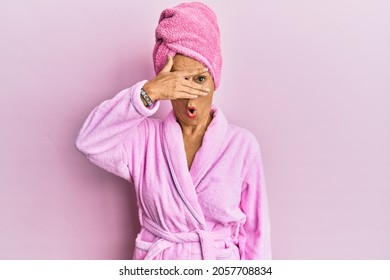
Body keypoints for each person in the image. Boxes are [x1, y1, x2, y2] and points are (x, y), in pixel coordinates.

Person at [76, 2, 271, 260]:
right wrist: (148, 92)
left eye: (200, 80)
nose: (190, 97)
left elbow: (256, 234)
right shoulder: (145, 140)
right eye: (178, 83)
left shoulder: (242, 146)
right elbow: (89, 141)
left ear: (215, 80)